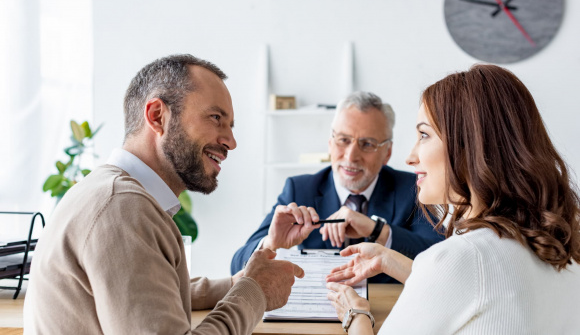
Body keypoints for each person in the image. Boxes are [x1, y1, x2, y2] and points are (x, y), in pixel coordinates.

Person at [23, 54, 305, 335]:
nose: (230, 141)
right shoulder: (122, 207)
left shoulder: (108, 193)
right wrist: (253, 291)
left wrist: (235, 284)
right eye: (216, 118)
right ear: (158, 116)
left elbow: (149, 286)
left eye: (230, 126)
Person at [326, 64, 580, 334]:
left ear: (469, 146)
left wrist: (355, 314)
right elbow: (470, 290)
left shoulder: (463, 258)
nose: (410, 157)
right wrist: (390, 261)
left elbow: (464, 276)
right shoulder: (562, 248)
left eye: (424, 135)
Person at [231, 91, 444, 283]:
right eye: (343, 140)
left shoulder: (411, 188)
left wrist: (376, 230)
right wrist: (271, 243)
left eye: (367, 144)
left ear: (387, 153)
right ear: (330, 143)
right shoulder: (300, 189)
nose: (351, 156)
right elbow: (236, 265)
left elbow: (441, 261)